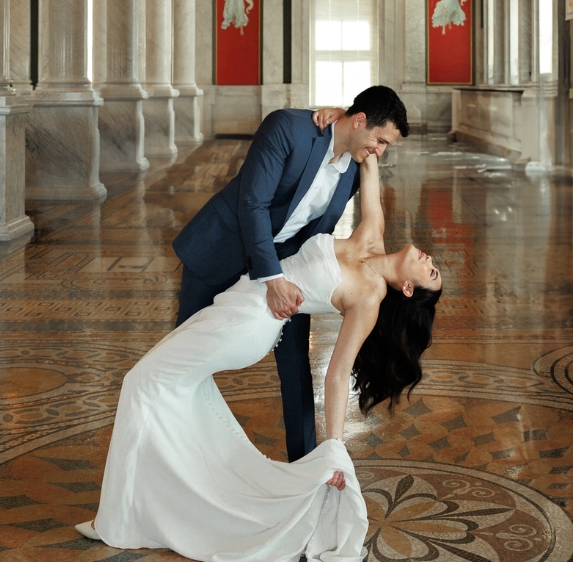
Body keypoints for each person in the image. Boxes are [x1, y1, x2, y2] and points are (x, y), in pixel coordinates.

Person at [75, 153, 441, 562]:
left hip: (249, 323)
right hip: (242, 301)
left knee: (143, 380)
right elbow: (369, 159)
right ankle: (156, 504)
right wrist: (334, 123)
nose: (429, 259)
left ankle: (119, 519)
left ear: (409, 289)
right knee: (167, 388)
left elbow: (339, 372)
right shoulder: (370, 240)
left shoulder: (369, 300)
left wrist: (335, 447)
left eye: (431, 272)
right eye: (434, 265)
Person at [171, 86, 409, 461]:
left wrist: (284, 277)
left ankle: (307, 468)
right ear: (360, 120)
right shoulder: (287, 128)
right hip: (221, 250)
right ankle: (177, 457)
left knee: (297, 369)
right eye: (380, 141)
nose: (380, 151)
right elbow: (253, 204)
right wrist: (272, 280)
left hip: (287, 268)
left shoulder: (352, 170)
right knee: (182, 360)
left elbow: (314, 228)